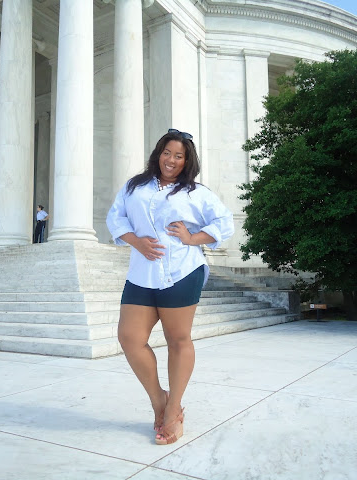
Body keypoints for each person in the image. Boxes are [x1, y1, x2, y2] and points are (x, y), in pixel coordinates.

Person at [106, 128, 234, 445]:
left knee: (178, 340)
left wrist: (192, 238)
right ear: (158, 154)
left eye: (179, 156)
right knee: (129, 338)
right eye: (167, 153)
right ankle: (159, 401)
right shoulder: (135, 186)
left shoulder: (196, 193)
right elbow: (115, 217)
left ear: (187, 161)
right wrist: (136, 241)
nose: (172, 160)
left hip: (181, 270)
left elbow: (224, 222)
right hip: (141, 274)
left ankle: (174, 410)